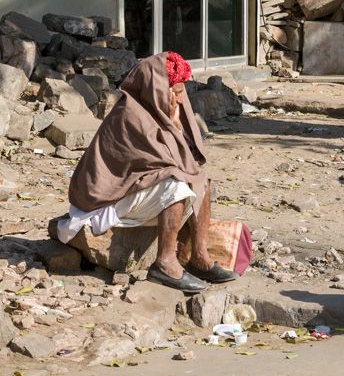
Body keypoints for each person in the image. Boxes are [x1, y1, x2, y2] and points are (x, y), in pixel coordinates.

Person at [57, 52, 237, 293]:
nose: (178, 97)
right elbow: (172, 166)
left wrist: (175, 124)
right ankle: (165, 263)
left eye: (180, 91)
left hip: (136, 190)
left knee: (201, 183)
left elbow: (191, 165)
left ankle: (199, 257)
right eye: (173, 90)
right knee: (176, 184)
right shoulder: (129, 116)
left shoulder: (161, 113)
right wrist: (173, 127)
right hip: (106, 201)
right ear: (155, 89)